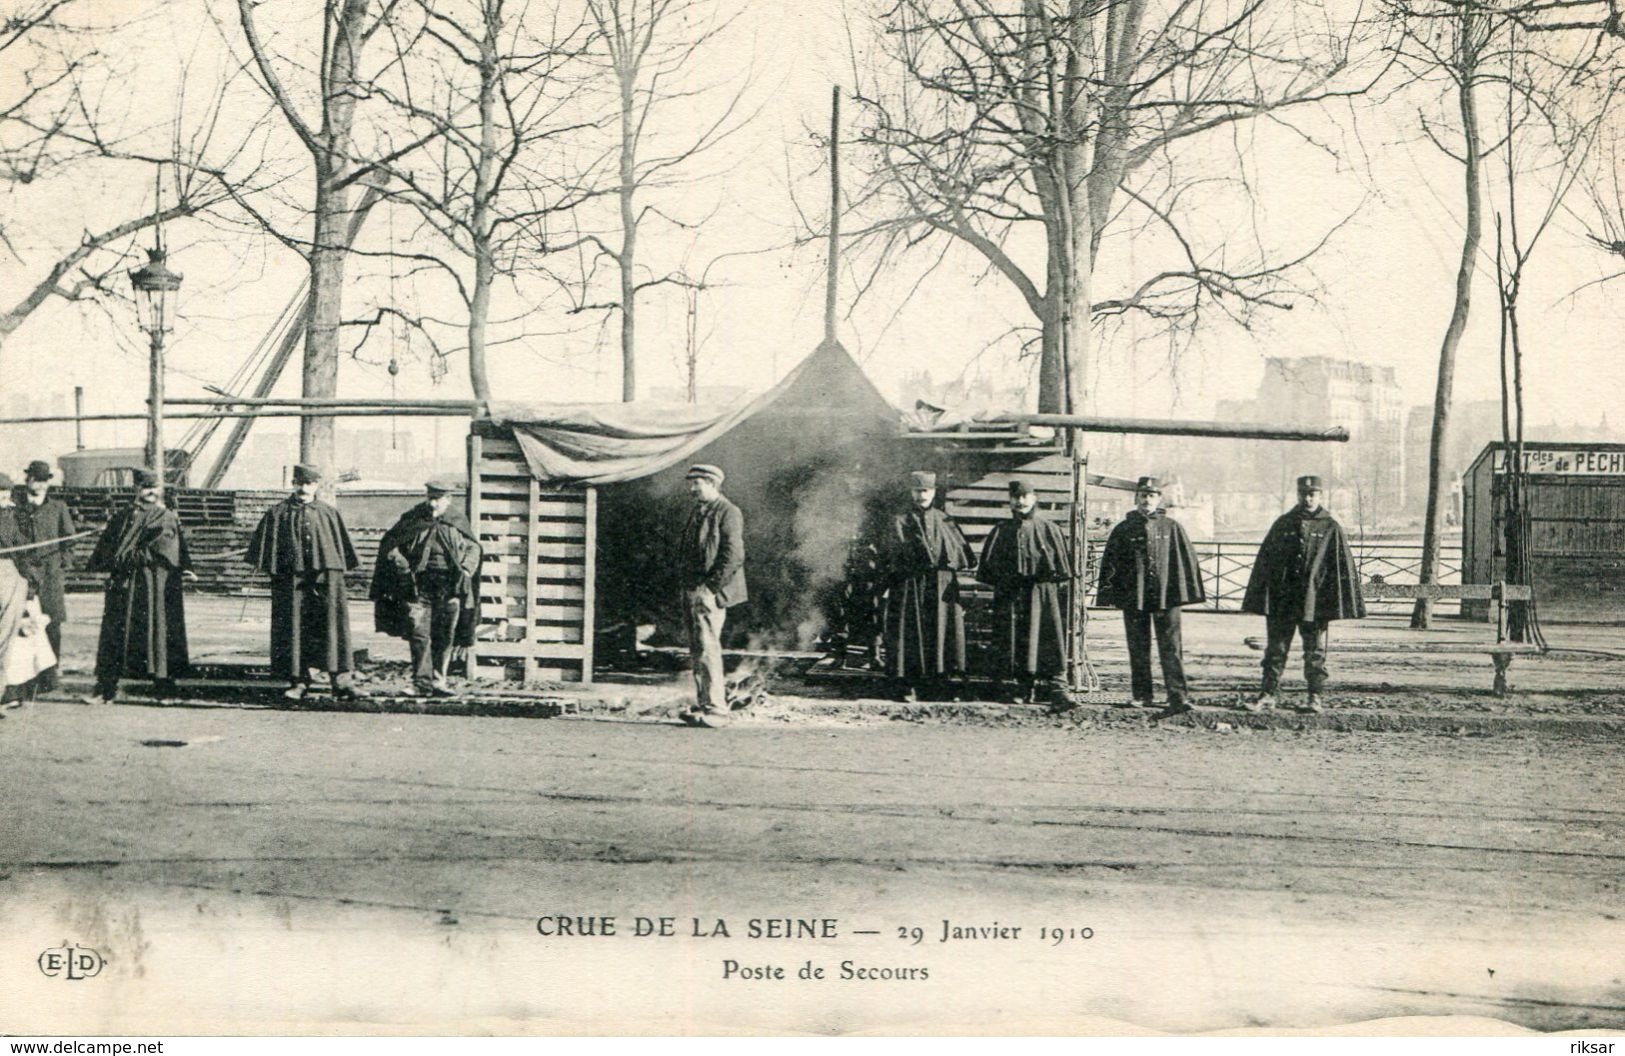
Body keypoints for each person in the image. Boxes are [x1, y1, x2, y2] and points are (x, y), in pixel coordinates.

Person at [1241, 474, 1366, 713]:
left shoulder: (1330, 527)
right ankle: (1268, 694)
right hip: (1283, 600)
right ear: (1297, 495)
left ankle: (1314, 696)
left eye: (1312, 494)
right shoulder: (1283, 524)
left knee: (1314, 651)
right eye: (1303, 494)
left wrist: (1330, 600)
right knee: (1276, 649)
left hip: (1313, 601)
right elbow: (1266, 561)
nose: (1307, 498)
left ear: (1319, 495)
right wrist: (1265, 594)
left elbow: (1339, 566)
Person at [247, 464, 363, 702]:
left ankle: (341, 683)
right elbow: (265, 552)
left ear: (317, 485)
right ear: (293, 483)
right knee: (295, 629)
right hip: (293, 582)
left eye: (309, 483)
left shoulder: (328, 513)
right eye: (299, 482)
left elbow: (340, 550)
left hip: (327, 581)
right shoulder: (277, 514)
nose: (303, 488)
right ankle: (299, 682)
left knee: (333, 628)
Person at [1095, 476, 1205, 714]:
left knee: (1172, 647)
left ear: (1159, 499)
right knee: (1138, 646)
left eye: (1152, 496)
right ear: (1136, 498)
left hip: (1167, 596)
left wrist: (1181, 591)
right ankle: (1142, 695)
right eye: (1143, 495)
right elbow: (1111, 564)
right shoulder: (1123, 529)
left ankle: (1177, 696)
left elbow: (1185, 561)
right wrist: (1111, 594)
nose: (1147, 500)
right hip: (1135, 596)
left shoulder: (1171, 527)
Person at [86, 468, 193, 702]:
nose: (151, 492)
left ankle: (164, 688)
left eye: (154, 488)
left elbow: (163, 548)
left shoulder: (164, 517)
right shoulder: (122, 516)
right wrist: (110, 561)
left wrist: (124, 557)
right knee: (114, 633)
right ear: (136, 489)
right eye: (145, 488)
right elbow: (107, 549)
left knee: (157, 632)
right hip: (124, 584)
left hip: (152, 584)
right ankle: (106, 688)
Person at [372, 479, 482, 697]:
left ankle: (439, 681)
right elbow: (391, 545)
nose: (433, 504)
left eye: (438, 499)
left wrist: (467, 570)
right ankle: (421, 683)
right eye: (430, 498)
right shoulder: (413, 518)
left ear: (448, 499)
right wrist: (403, 567)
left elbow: (474, 548)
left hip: (449, 588)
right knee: (419, 635)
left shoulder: (457, 520)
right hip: (418, 589)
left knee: (444, 635)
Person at [881, 470, 975, 702]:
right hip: (910, 584)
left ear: (933, 492)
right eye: (917, 490)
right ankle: (907, 685)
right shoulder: (899, 521)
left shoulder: (945, 520)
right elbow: (892, 555)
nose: (921, 495)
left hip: (940, 585)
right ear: (910, 492)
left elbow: (959, 553)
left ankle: (938, 684)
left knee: (940, 630)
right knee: (910, 632)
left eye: (926, 490)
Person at [977, 480, 1072, 706]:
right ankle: (1020, 686)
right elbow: (990, 571)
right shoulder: (1001, 531)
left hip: (1042, 594)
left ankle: (1057, 689)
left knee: (1047, 636)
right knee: (1014, 638)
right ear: (1010, 500)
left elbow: (1060, 569)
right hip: (1012, 595)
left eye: (1025, 496)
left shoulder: (1050, 530)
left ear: (1034, 498)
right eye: (1015, 497)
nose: (1020, 501)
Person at [676, 464, 747, 728]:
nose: (692, 489)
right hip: (694, 589)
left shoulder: (728, 512)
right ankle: (705, 704)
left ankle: (716, 711)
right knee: (699, 650)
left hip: (709, 592)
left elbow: (733, 556)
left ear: (712, 483)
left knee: (707, 649)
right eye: (692, 484)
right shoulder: (700, 511)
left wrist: (711, 588)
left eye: (697, 484)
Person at [7, 460, 77, 693]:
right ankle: (27, 676)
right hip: (24, 573)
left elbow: (69, 539)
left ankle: (49, 676)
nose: (39, 484)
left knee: (52, 623)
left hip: (50, 575)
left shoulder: (58, 507)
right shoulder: (17, 509)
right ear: (28, 480)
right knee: (25, 623)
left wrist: (62, 564)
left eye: (43, 480)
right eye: (35, 479)